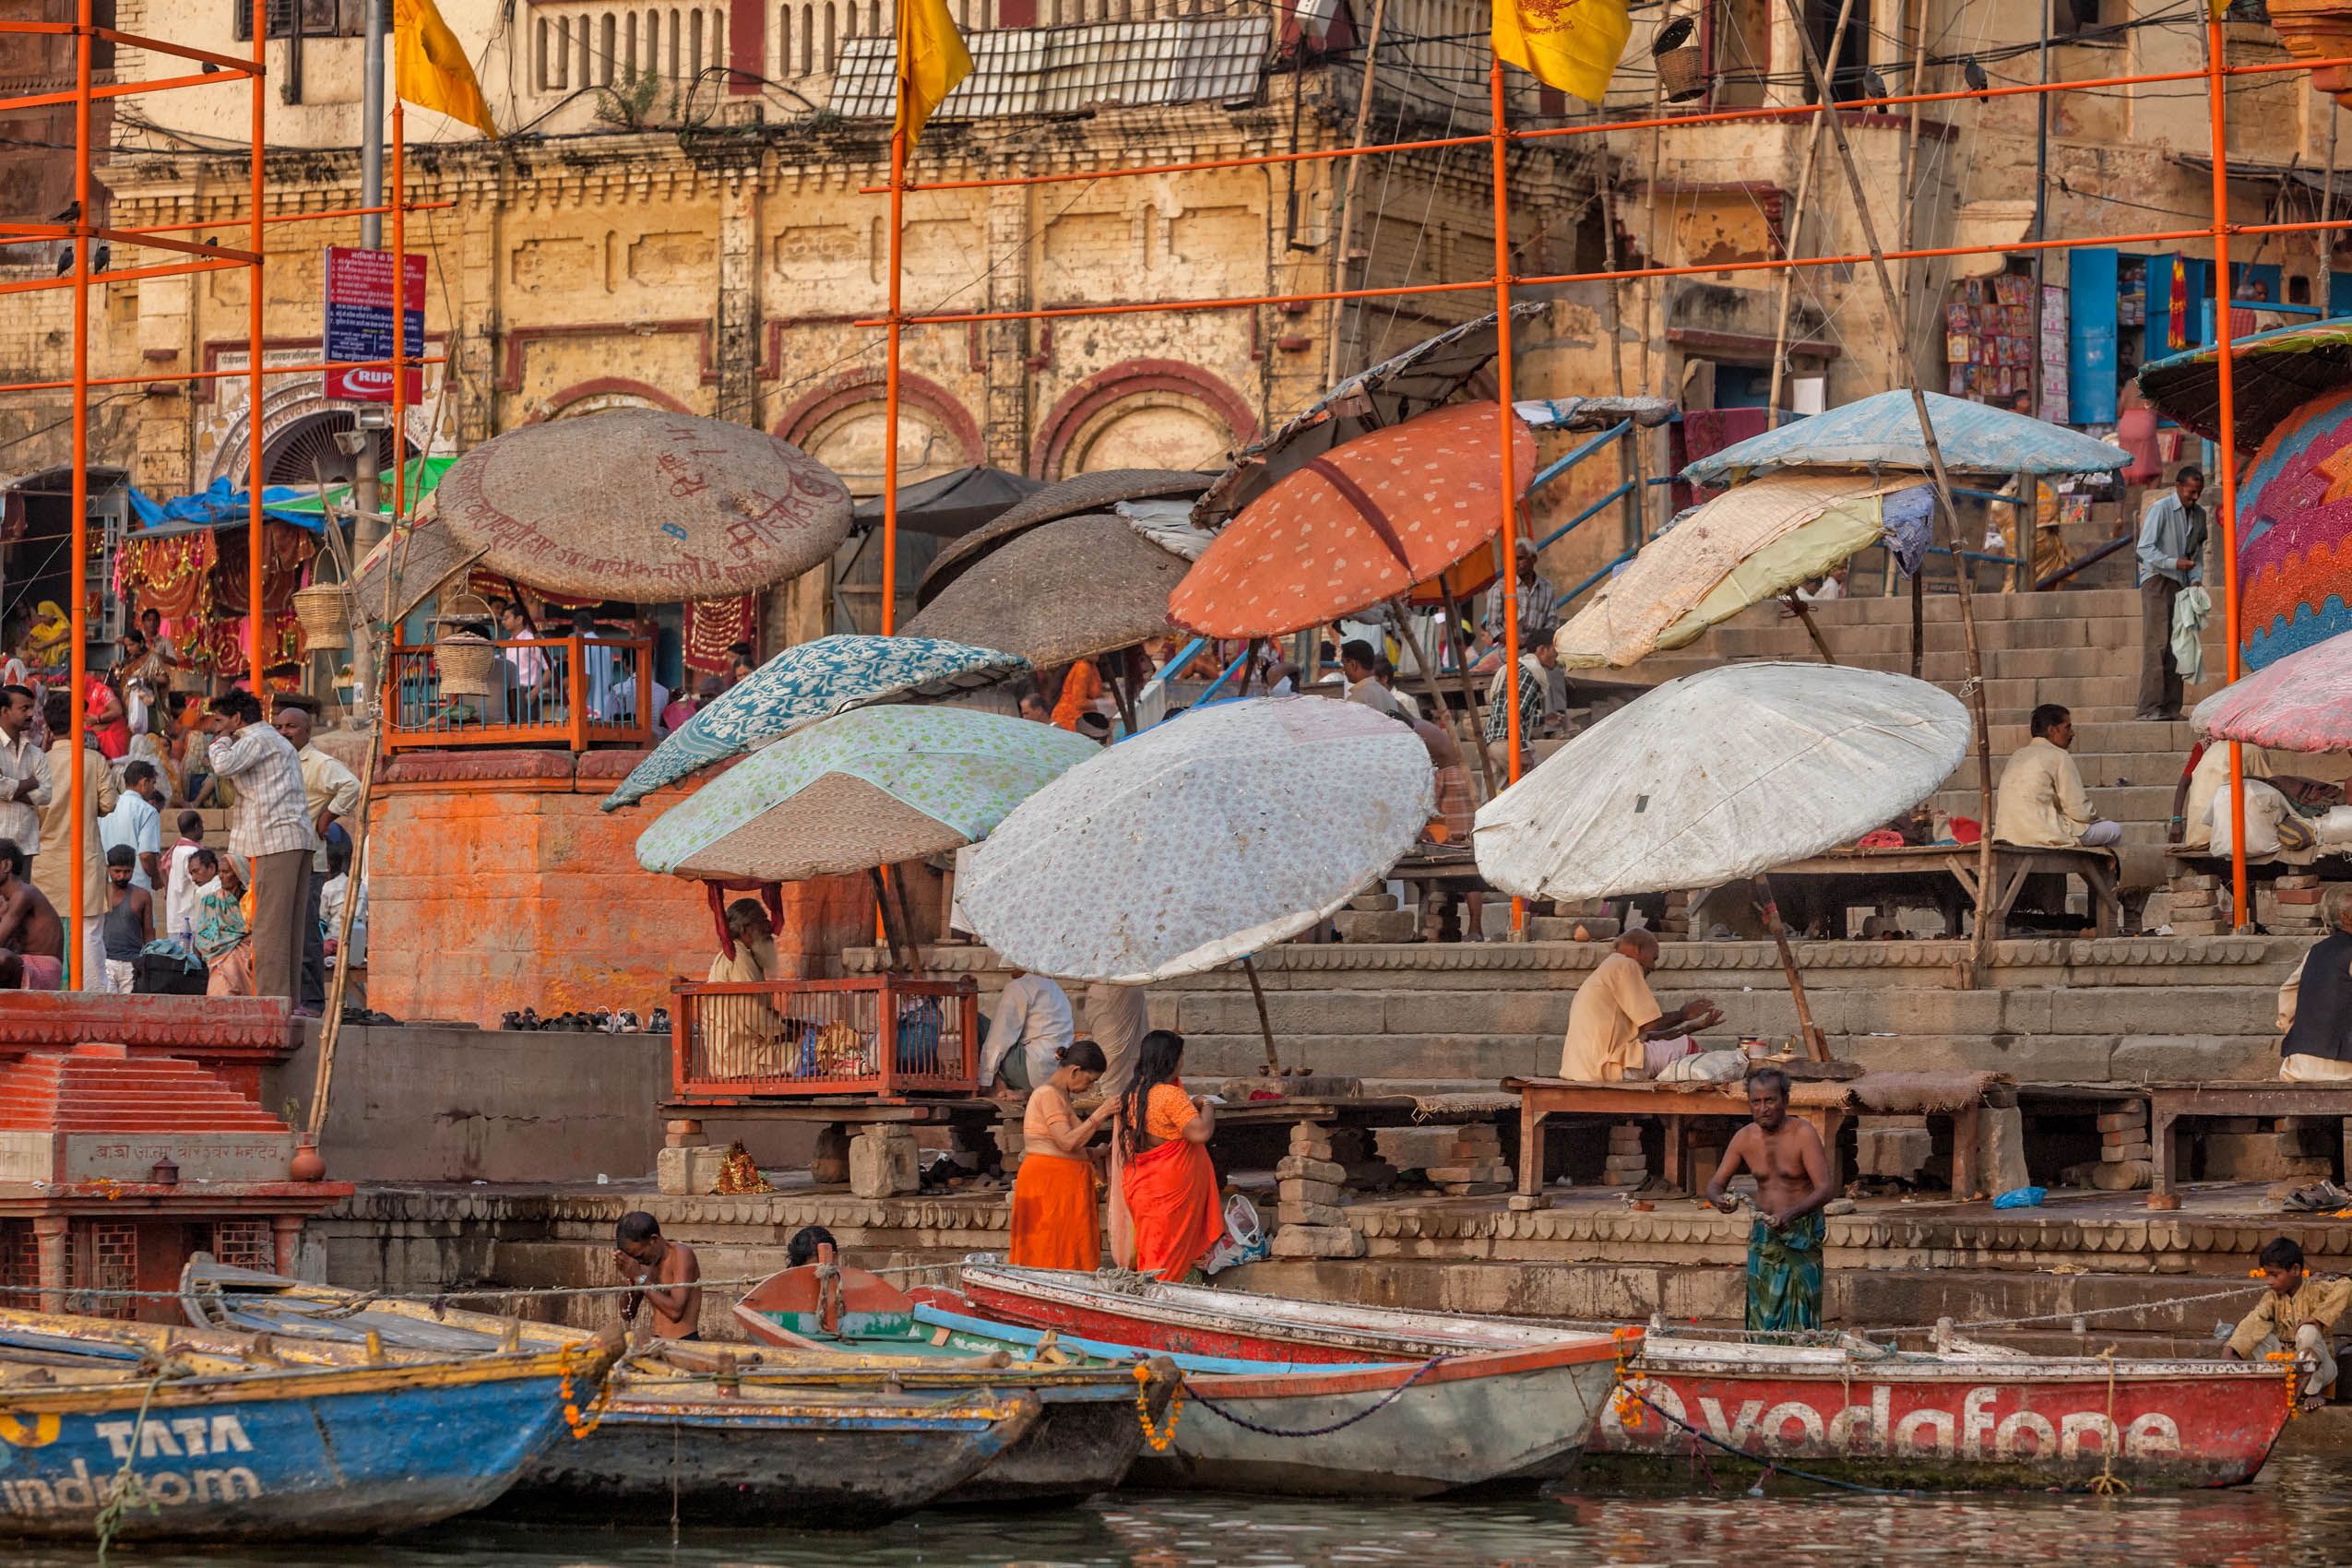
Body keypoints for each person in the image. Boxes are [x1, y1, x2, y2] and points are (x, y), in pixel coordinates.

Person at [1705, 1067, 1838, 1336]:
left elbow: (1826, 1189)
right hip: (1764, 1238)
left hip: (1800, 1234)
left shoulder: (1803, 1133)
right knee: (1762, 1310)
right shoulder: (1744, 1138)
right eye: (1756, 1101)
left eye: (1770, 1100)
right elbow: (1715, 1184)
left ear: (1785, 1100)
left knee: (1802, 1314)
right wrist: (1720, 1199)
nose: (1763, 1108)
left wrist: (1790, 1216)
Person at [203, 690, 313, 1004]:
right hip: (288, 840)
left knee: (269, 931)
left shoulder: (257, 738)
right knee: (285, 931)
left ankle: (269, 1006)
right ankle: (284, 1003)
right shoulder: (272, 741)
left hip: (276, 841)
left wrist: (222, 740)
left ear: (237, 719)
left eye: (220, 721)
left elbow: (222, 765)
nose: (216, 727)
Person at [1116, 1029, 1224, 1283]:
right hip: (1171, 1186)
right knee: (1174, 1251)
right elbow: (1199, 1133)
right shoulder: (1169, 1095)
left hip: (1145, 1184)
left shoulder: (1133, 1094)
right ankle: (1167, 1298)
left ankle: (1153, 1293)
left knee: (1155, 1246)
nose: (1183, 1061)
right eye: (1181, 1055)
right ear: (1171, 1059)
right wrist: (1207, 1106)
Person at [274, 701, 362, 1014]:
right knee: (282, 931)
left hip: (309, 860)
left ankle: (311, 1001)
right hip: (279, 857)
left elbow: (352, 786)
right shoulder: (276, 761)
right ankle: (290, 998)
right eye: (280, 726)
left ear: (307, 732)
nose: (284, 732)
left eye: (291, 727)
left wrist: (327, 818)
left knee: (306, 930)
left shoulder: (318, 763)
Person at [1559, 929, 1723, 1080]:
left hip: (1584, 1069)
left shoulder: (1609, 968)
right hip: (1608, 1067)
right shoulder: (1626, 965)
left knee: (1678, 1045)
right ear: (1638, 949)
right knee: (1688, 1047)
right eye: (1654, 958)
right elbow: (1651, 1025)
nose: (1654, 966)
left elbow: (1648, 1037)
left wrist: (1692, 1026)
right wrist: (1683, 1014)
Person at [34, 689, 116, 988]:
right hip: (84, 861)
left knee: (47, 935)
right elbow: (109, 804)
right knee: (90, 936)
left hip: (47, 864)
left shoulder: (38, 762)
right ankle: (95, 1002)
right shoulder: (93, 761)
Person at [1008, 1040, 1114, 1271]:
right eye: (1090, 1081)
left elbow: (1063, 1146)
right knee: (1050, 1250)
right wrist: (1101, 1113)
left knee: (1067, 1248)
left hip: (1061, 1182)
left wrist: (1097, 1153)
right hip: (1049, 1183)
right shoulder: (1048, 1094)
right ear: (1075, 1071)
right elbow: (1066, 1142)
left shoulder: (1059, 1094)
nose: (1090, 1088)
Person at [2226, 1237, 2347, 1412]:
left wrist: (2318, 1319)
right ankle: (2276, 1385)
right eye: (2267, 1275)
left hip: (2322, 1369)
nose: (2269, 1281)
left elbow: (2346, 1287)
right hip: (2286, 1366)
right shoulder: (2272, 1297)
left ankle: (2315, 1391)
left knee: (2308, 1331)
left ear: (2296, 1270)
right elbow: (2254, 1320)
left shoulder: (2316, 1289)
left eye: (2274, 1275)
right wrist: (2232, 1348)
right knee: (2256, 1333)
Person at [1993, 704, 2122, 849]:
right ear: (2052, 730)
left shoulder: (2017, 755)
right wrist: (2096, 819)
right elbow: (2078, 809)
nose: (2072, 733)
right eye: (2068, 727)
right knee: (2113, 830)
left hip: (2008, 834)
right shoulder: (2059, 756)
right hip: (2043, 833)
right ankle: (2094, 869)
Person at [2135, 467, 2206, 721]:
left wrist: (2197, 579)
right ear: (2178, 487)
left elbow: (2196, 554)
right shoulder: (2161, 509)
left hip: (2182, 583)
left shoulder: (2199, 515)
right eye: (2190, 492)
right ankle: (2149, 708)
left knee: (2179, 645)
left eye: (2198, 492)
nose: (2195, 497)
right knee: (2158, 645)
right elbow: (2144, 549)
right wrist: (2172, 562)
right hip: (2157, 580)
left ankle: (2171, 707)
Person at [2276, 887, 2352, 1083]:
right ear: (2346, 917)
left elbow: (2288, 991)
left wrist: (2303, 1034)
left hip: (2300, 1064)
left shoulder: (2316, 951)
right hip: (2342, 1068)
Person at [705, 897, 786, 1075]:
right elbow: (752, 1012)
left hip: (741, 1051)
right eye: (763, 922)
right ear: (745, 929)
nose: (768, 928)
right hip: (741, 1057)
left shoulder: (745, 956)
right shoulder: (738, 958)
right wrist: (785, 1033)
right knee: (808, 1054)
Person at [980, 968, 1075, 1093]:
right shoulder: (1056, 988)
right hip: (1054, 1073)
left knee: (976, 1020)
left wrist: (985, 1078)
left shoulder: (1019, 986)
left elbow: (999, 1038)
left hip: (1033, 1072)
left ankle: (995, 1087)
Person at [614, 1211, 702, 1340]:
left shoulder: (681, 1255)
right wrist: (629, 1276)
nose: (640, 1261)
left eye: (640, 1256)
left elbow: (675, 1313)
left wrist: (639, 1276)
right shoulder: (643, 1263)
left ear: (653, 1240)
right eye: (635, 1258)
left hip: (684, 1341)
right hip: (657, 1341)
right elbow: (628, 1314)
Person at [1482, 637, 1560, 778]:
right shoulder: (1531, 672)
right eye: (1555, 650)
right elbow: (1512, 711)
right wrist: (1522, 749)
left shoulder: (1518, 667)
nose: (1557, 656)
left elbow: (1512, 710)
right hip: (1507, 743)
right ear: (1542, 649)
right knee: (1541, 781)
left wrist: (1543, 719)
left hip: (1493, 742)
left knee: (1497, 797)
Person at [0, 683, 50, 885]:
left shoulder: (36, 753)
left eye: (32, 708)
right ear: (4, 711)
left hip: (24, 847)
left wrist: (9, 789)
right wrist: (30, 782)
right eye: (24, 709)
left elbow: (46, 794)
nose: (31, 714)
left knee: (19, 908)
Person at [188, 848, 255, 996]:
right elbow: (202, 935)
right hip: (218, 956)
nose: (221, 876)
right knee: (228, 964)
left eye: (226, 872)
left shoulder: (250, 900)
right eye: (220, 872)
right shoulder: (210, 900)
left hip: (247, 954)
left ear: (238, 874)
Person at [0, 838, 64, 990]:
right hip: (20, 966)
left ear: (6, 865)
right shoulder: (6, 900)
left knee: (2, 958)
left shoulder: (25, 894)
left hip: (43, 970)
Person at [1483, 540, 1562, 648]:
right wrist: (1515, 641)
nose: (1515, 563)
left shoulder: (1547, 588)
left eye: (1520, 559)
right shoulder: (1499, 589)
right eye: (1512, 559)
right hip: (1509, 655)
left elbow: (1552, 623)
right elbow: (1492, 626)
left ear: (1534, 559)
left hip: (1538, 653)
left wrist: (1535, 641)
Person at [99, 759, 163, 892]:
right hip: (136, 886)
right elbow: (146, 855)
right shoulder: (148, 811)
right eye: (153, 783)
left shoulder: (107, 806)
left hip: (107, 883)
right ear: (144, 783)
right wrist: (156, 877)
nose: (153, 789)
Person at [320, 834, 368, 1004]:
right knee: (355, 984)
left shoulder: (328, 888)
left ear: (328, 865)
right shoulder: (360, 887)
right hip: (359, 943)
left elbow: (321, 919)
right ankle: (357, 1008)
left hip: (336, 941)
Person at [98, 845, 150, 993]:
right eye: (117, 871)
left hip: (132, 965)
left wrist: (147, 964)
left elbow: (148, 935)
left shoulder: (142, 896)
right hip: (105, 962)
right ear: (108, 869)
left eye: (127, 872)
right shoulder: (100, 893)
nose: (122, 876)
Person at [1083, 980, 1148, 1098]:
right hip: (1109, 988)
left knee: (1135, 1052)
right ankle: (1114, 1103)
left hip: (1128, 986)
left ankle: (1129, 1101)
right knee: (1113, 1058)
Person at [496, 600, 547, 721]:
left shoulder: (533, 640)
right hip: (509, 693)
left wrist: (534, 692)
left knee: (527, 731)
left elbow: (550, 668)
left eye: (507, 618)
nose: (503, 622)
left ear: (519, 619)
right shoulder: (508, 643)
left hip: (526, 692)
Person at [163, 809, 205, 944]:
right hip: (188, 921)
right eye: (202, 825)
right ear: (197, 826)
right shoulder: (191, 852)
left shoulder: (177, 849)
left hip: (176, 918)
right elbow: (201, 884)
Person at [1339, 640, 1404, 719]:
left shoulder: (1357, 699)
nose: (1343, 669)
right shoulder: (1388, 694)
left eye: (1344, 664)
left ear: (1353, 664)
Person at [1052, 658, 1105, 731]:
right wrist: (1105, 703)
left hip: (1083, 718)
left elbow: (1095, 692)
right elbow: (1079, 703)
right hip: (1070, 719)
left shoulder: (1092, 665)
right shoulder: (1083, 667)